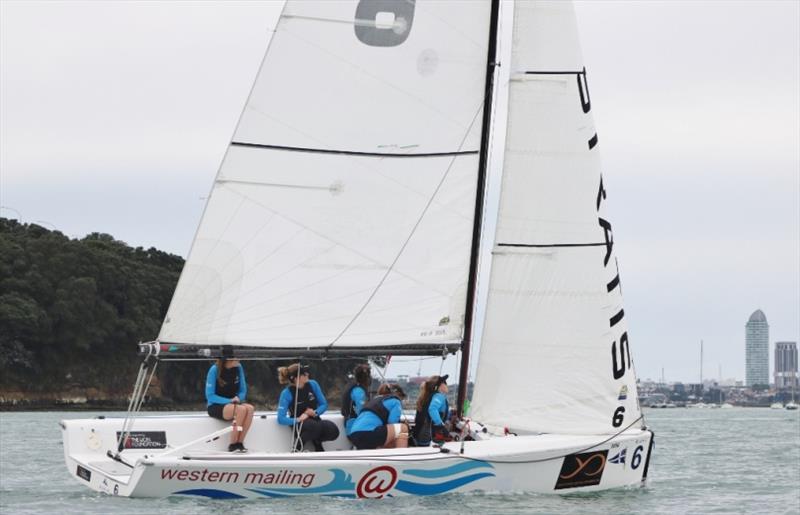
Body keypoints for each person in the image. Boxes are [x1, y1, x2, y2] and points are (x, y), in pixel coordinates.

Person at [277, 363, 340, 452]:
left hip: (315, 420)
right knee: (313, 426)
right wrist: (298, 419)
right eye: (303, 373)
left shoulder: (313, 384)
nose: (307, 374)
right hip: (299, 425)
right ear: (295, 378)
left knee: (333, 430)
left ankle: (317, 442)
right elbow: (281, 419)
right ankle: (296, 449)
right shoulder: (287, 393)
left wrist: (315, 412)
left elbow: (324, 404)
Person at [205, 347, 255, 452]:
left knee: (250, 409)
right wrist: (229, 401)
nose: (239, 360)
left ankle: (240, 443)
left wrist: (238, 399)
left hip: (233, 403)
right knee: (241, 410)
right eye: (236, 358)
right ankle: (232, 445)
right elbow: (210, 396)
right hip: (216, 405)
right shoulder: (214, 370)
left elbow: (243, 391)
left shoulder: (238, 367)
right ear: (228, 359)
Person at [348, 384, 409, 450]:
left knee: (391, 437)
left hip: (354, 435)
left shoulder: (374, 401)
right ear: (398, 394)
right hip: (367, 433)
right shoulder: (396, 401)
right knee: (403, 428)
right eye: (402, 399)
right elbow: (392, 422)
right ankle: (401, 457)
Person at [412, 374, 451, 446]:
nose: (446, 385)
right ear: (440, 386)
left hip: (420, 434)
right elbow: (432, 409)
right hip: (429, 436)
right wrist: (441, 425)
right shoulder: (439, 396)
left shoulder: (427, 396)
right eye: (445, 383)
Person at [341, 364, 371, 441]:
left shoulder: (353, 387)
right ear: (367, 378)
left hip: (352, 426)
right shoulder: (359, 391)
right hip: (355, 429)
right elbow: (361, 412)